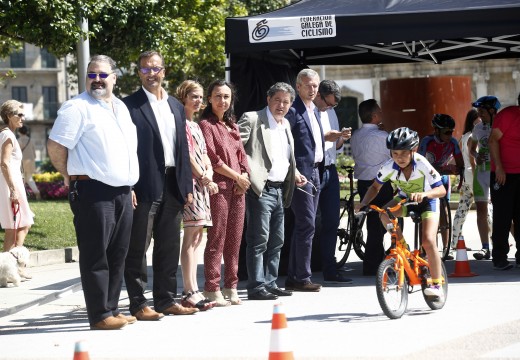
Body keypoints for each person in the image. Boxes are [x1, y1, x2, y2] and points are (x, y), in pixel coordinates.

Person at [47, 55, 140, 330]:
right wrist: (69, 176)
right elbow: (55, 146)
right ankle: (99, 315)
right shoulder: (77, 108)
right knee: (95, 254)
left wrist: (129, 185)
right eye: (91, 74)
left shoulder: (120, 107)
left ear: (114, 77)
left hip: (122, 191)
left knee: (117, 254)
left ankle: (111, 309)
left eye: (102, 74)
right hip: (92, 189)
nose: (96, 79)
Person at [122, 51, 198, 320]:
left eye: (155, 68)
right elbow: (124, 149)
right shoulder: (128, 105)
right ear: (139, 73)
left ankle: (166, 299)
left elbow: (182, 149)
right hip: (143, 183)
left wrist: (187, 185)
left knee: (168, 245)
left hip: (174, 183)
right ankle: (138, 303)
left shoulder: (176, 106)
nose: (151, 73)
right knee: (138, 246)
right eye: (145, 69)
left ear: (164, 71)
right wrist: (128, 184)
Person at [355, 127, 447, 299]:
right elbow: (375, 187)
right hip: (405, 199)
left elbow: (441, 190)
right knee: (384, 213)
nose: (399, 157)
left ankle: (436, 283)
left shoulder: (421, 163)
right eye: (395, 153)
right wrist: (364, 203)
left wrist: (425, 194)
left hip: (428, 201)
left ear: (414, 150)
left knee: (428, 240)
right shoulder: (388, 166)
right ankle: (402, 247)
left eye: (404, 153)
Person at [238, 82, 302, 301]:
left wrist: (296, 173)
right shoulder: (253, 118)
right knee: (259, 239)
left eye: (286, 102)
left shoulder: (285, 125)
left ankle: (270, 282)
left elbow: (284, 157)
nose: (281, 105)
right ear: (268, 99)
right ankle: (256, 286)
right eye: (277, 100)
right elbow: (236, 149)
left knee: (277, 240)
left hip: (280, 189)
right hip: (260, 188)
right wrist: (244, 173)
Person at [199, 79, 250, 306]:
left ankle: (231, 286)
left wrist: (244, 176)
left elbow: (242, 156)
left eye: (226, 96)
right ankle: (212, 287)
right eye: (218, 96)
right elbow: (213, 158)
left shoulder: (233, 125)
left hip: (238, 190)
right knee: (217, 238)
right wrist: (236, 177)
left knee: (235, 240)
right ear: (209, 98)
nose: (222, 101)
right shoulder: (206, 125)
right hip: (219, 188)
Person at [175, 80, 218, 310]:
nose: (199, 101)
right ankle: (188, 289)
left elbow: (204, 154)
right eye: (194, 96)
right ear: (183, 96)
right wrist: (203, 176)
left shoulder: (196, 125)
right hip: (191, 185)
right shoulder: (181, 123)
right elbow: (187, 155)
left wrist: (208, 173)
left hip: (203, 184)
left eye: (201, 97)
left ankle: (194, 288)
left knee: (198, 237)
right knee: (191, 236)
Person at [285, 68, 324, 292]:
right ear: (298, 86)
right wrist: (294, 170)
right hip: (301, 174)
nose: (312, 89)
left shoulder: (315, 110)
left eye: (315, 86)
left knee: (305, 226)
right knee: (307, 224)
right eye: (308, 85)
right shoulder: (292, 110)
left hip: (317, 171)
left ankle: (294, 276)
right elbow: (284, 142)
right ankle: (302, 277)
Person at [312, 80, 353, 283]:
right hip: (314, 169)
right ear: (319, 95)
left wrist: (342, 137)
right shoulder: (309, 111)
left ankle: (330, 268)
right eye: (328, 103)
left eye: (333, 105)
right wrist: (330, 137)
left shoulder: (331, 113)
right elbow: (312, 140)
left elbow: (335, 145)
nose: (330, 107)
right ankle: (302, 271)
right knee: (308, 222)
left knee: (331, 221)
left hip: (330, 170)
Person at [350, 99, 393, 276]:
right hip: (380, 183)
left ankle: (376, 259)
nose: (382, 113)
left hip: (363, 182)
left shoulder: (355, 135)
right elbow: (393, 156)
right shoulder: (383, 137)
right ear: (374, 116)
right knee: (384, 221)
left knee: (374, 222)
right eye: (380, 112)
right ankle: (375, 262)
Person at [418, 114, 464, 259]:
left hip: (442, 178)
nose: (450, 135)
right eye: (447, 132)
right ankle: (425, 248)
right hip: (428, 180)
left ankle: (446, 248)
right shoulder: (427, 141)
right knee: (425, 213)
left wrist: (459, 175)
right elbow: (419, 162)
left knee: (444, 211)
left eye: (452, 131)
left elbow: (460, 163)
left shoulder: (453, 143)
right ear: (437, 131)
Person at [452, 110, 492, 248]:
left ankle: (455, 241)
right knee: (486, 210)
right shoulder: (473, 137)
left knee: (462, 210)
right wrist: (477, 178)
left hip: (466, 178)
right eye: (478, 119)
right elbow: (472, 158)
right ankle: (494, 239)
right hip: (474, 176)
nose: (481, 121)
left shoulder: (463, 137)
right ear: (473, 121)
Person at [488, 101, 520, 270]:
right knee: (503, 216)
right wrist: (499, 167)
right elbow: (492, 141)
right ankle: (499, 257)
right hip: (504, 175)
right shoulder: (508, 116)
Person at [0, 101, 35, 256]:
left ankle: (10, 267)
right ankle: (11, 267)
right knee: (16, 226)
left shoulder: (7, 134)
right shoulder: (7, 135)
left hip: (12, 183)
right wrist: (13, 189)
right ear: (9, 116)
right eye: (19, 114)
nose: (23, 118)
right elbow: (4, 163)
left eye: (23, 114)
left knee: (18, 225)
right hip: (11, 184)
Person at [469, 96, 501, 260]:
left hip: (498, 173)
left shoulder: (501, 125)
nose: (479, 114)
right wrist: (475, 156)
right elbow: (471, 148)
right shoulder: (478, 128)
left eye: (482, 110)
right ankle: (485, 247)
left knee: (503, 212)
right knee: (481, 211)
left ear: (492, 110)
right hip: (481, 173)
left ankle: (507, 245)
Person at [17, 125, 41, 200]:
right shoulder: (31, 140)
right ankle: (36, 192)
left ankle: (21, 196)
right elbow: (34, 153)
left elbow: (17, 153)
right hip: (31, 161)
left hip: (22, 161)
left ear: (19, 132)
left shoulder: (18, 141)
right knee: (29, 178)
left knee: (21, 178)